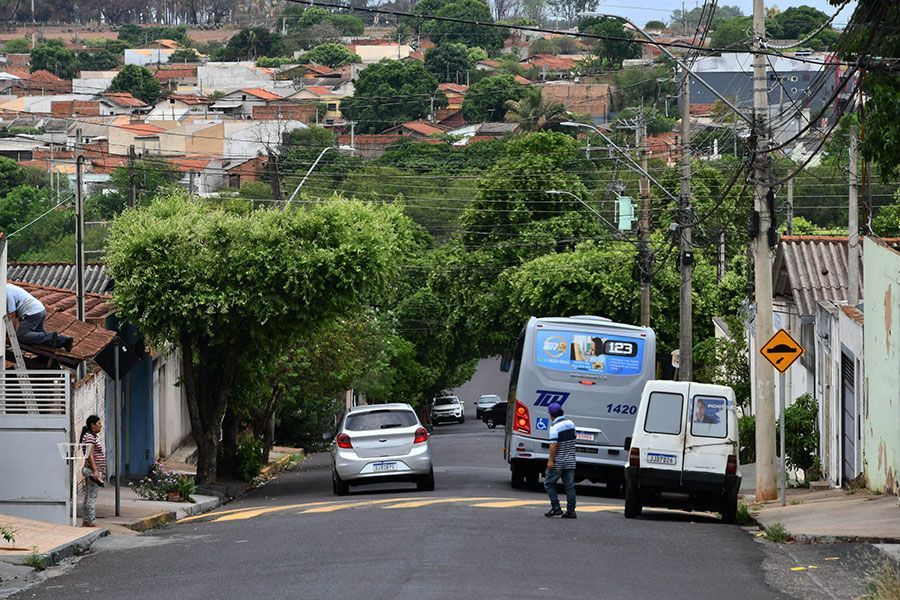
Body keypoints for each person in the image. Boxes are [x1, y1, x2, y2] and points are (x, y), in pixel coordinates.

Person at [5, 283, 73, 351]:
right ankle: (63, 342)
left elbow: (12, 315)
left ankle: (56, 338)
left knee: (21, 336)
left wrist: (11, 335)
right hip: (39, 310)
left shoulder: (6, 294)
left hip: (32, 313)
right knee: (39, 340)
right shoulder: (7, 287)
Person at [543, 402, 577, 519]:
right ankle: (571, 511)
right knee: (570, 487)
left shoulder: (554, 427)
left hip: (558, 462)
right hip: (570, 461)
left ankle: (556, 508)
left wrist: (550, 461)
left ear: (551, 414)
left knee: (548, 483)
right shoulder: (571, 424)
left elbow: (554, 445)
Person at [79, 415, 106, 527]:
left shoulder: (90, 436)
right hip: (92, 470)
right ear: (92, 425)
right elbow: (90, 456)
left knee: (88, 496)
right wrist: (95, 471)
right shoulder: (90, 437)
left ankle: (86, 521)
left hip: (91, 469)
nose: (101, 426)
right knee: (91, 497)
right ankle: (91, 522)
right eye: (99, 423)